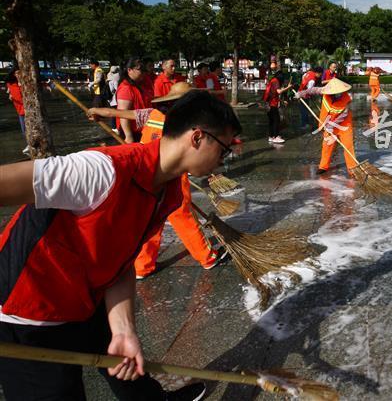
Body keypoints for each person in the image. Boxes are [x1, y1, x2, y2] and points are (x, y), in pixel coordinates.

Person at [0, 91, 241, 401]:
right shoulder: (101, 171)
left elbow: (121, 261)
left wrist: (124, 329)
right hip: (28, 314)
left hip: (86, 296)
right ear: (197, 138)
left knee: (128, 365)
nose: (224, 160)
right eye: (224, 150)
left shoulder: (167, 192)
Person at [87, 82, 227, 278]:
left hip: (146, 175)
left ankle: (143, 266)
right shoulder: (184, 122)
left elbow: (118, 113)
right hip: (172, 175)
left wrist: (96, 111)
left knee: (150, 219)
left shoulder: (152, 114)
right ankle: (208, 257)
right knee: (183, 217)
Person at [311, 78, 357, 175]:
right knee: (327, 145)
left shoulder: (346, 99)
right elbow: (323, 112)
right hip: (329, 124)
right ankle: (323, 166)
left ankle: (352, 168)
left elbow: (343, 115)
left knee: (348, 146)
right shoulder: (326, 97)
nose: (336, 94)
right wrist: (323, 125)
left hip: (344, 125)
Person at [116, 58, 150, 143]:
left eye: (144, 70)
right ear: (129, 70)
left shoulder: (139, 84)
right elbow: (123, 114)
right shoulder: (126, 88)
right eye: (140, 70)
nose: (143, 73)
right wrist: (128, 136)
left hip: (142, 130)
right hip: (132, 132)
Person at [263, 70, 293, 145]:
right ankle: (276, 136)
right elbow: (279, 91)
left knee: (271, 121)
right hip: (272, 104)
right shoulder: (275, 81)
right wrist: (288, 87)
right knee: (276, 120)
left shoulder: (272, 80)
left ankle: (271, 136)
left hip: (268, 103)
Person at [6, 69, 28, 155]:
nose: (19, 74)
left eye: (20, 73)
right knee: (24, 131)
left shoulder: (24, 83)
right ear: (13, 74)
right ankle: (29, 144)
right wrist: (10, 95)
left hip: (27, 109)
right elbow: (10, 92)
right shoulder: (10, 84)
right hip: (19, 109)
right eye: (17, 73)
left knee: (28, 129)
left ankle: (31, 145)